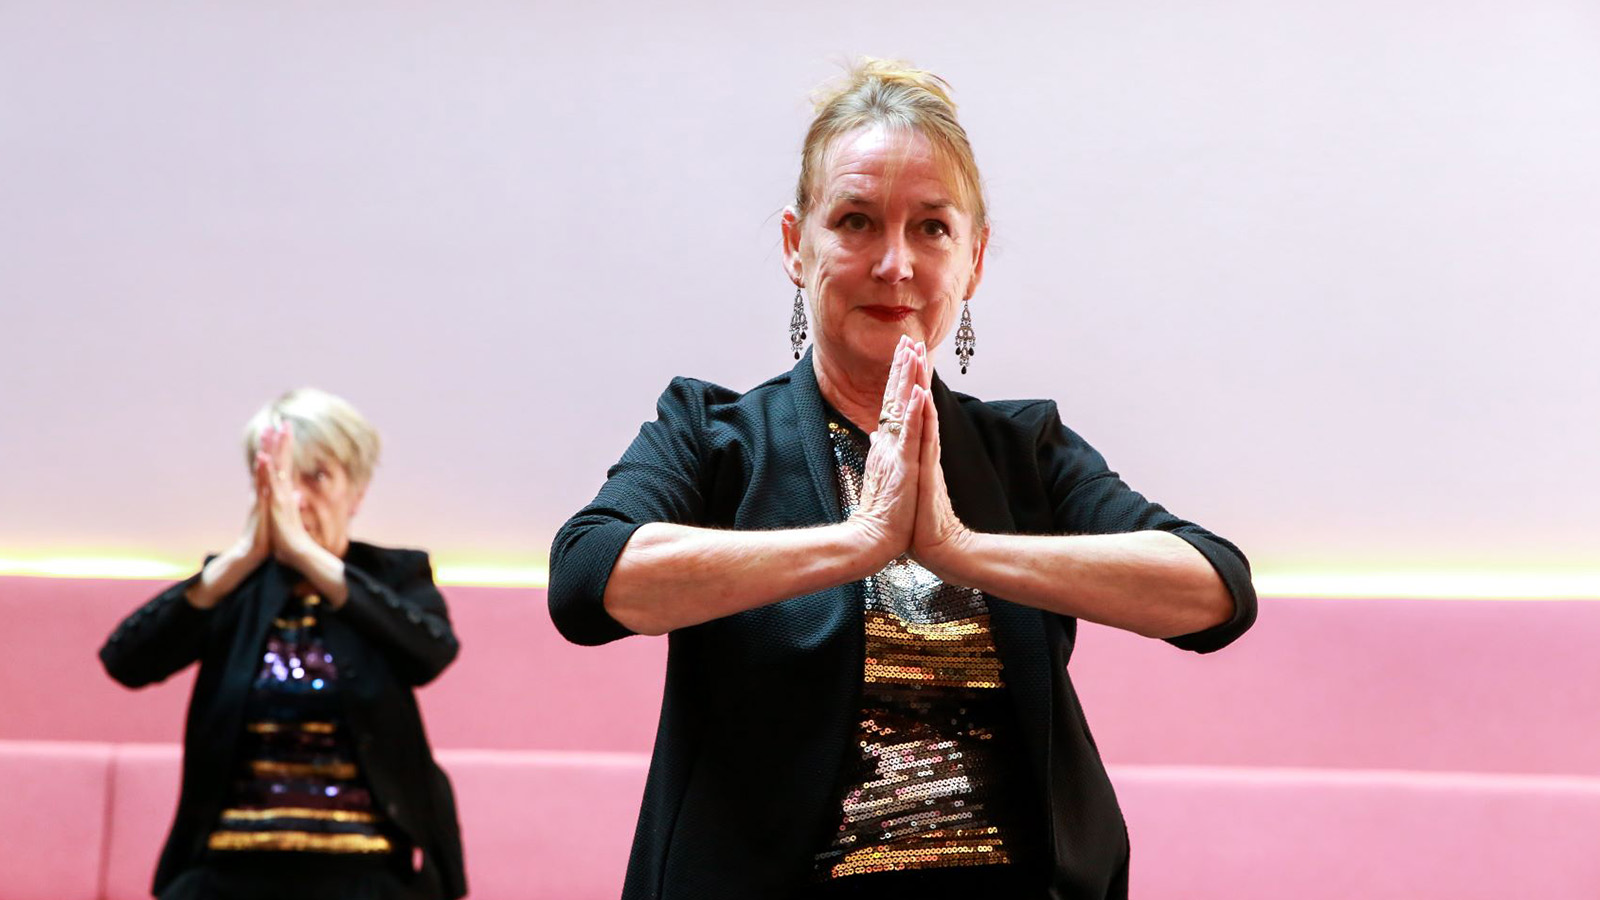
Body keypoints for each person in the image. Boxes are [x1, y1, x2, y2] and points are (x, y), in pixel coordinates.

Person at [549, 60, 1257, 900]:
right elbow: (589, 581)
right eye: (855, 221)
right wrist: (857, 544)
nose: (896, 264)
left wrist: (959, 549)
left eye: (932, 228)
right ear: (794, 244)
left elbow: (1216, 592)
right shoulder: (713, 435)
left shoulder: (1023, 445)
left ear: (975, 258)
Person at [100, 388, 465, 900]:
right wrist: (240, 558)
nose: (295, 498)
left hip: (367, 872)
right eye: (279, 478)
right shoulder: (235, 585)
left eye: (316, 477)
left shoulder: (395, 577)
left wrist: (313, 560)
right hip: (228, 867)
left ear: (356, 491)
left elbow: (432, 653)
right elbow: (126, 661)